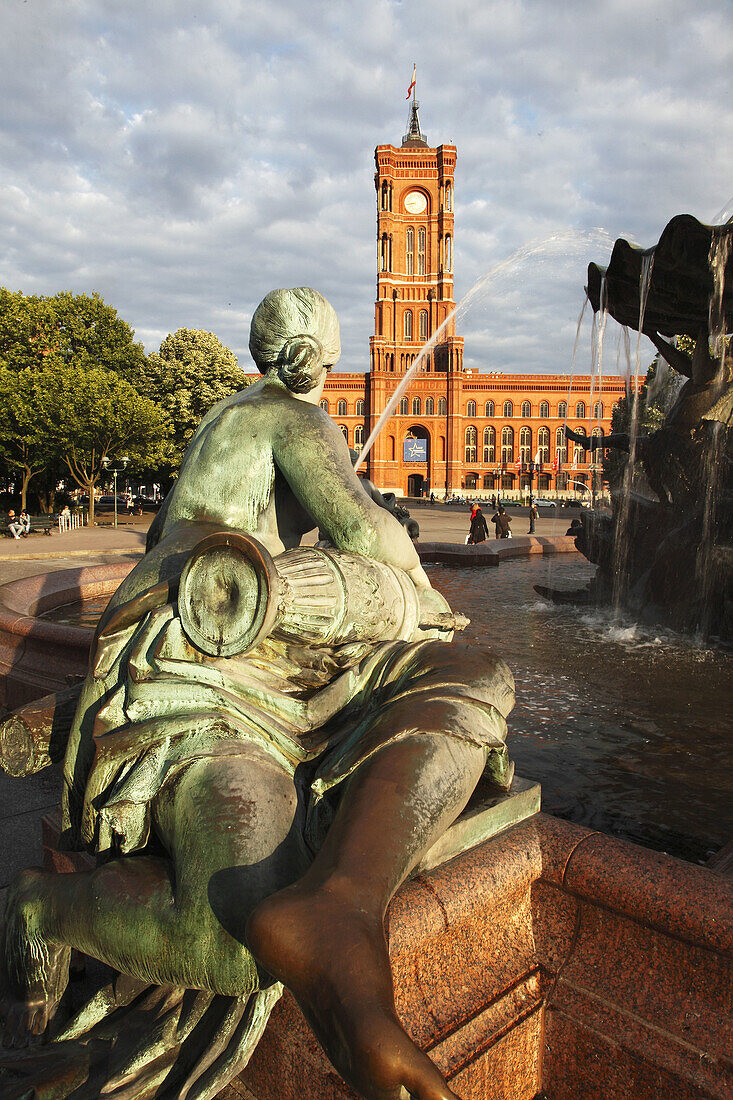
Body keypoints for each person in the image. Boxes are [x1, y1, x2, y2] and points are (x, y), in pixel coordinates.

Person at [1, 288, 514, 1100]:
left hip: (279, 652)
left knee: (472, 678)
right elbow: (364, 531)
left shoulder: (234, 415)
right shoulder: (285, 412)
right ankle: (41, 907)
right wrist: (424, 599)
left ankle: (340, 903)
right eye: (334, 354)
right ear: (311, 356)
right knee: (227, 941)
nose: (336, 368)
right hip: (203, 663)